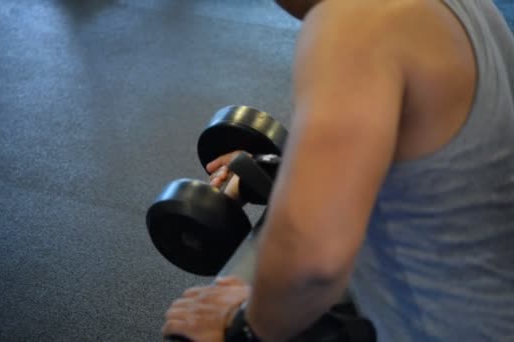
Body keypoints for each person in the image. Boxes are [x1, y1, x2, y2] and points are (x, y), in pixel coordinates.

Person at [162, 0, 514, 341]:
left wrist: (243, 322)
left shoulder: (357, 18)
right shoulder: (465, 8)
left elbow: (311, 262)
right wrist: (287, 171)